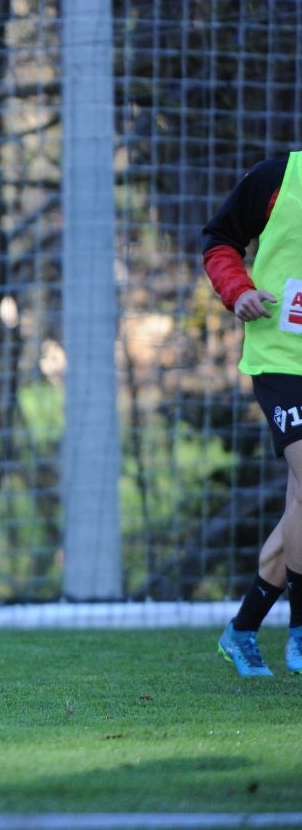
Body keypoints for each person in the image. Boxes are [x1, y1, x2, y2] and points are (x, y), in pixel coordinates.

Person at [202, 154, 302, 677]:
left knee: (298, 510)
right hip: (282, 361)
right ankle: (301, 632)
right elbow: (219, 239)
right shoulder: (278, 178)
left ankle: (243, 630)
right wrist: (237, 291)